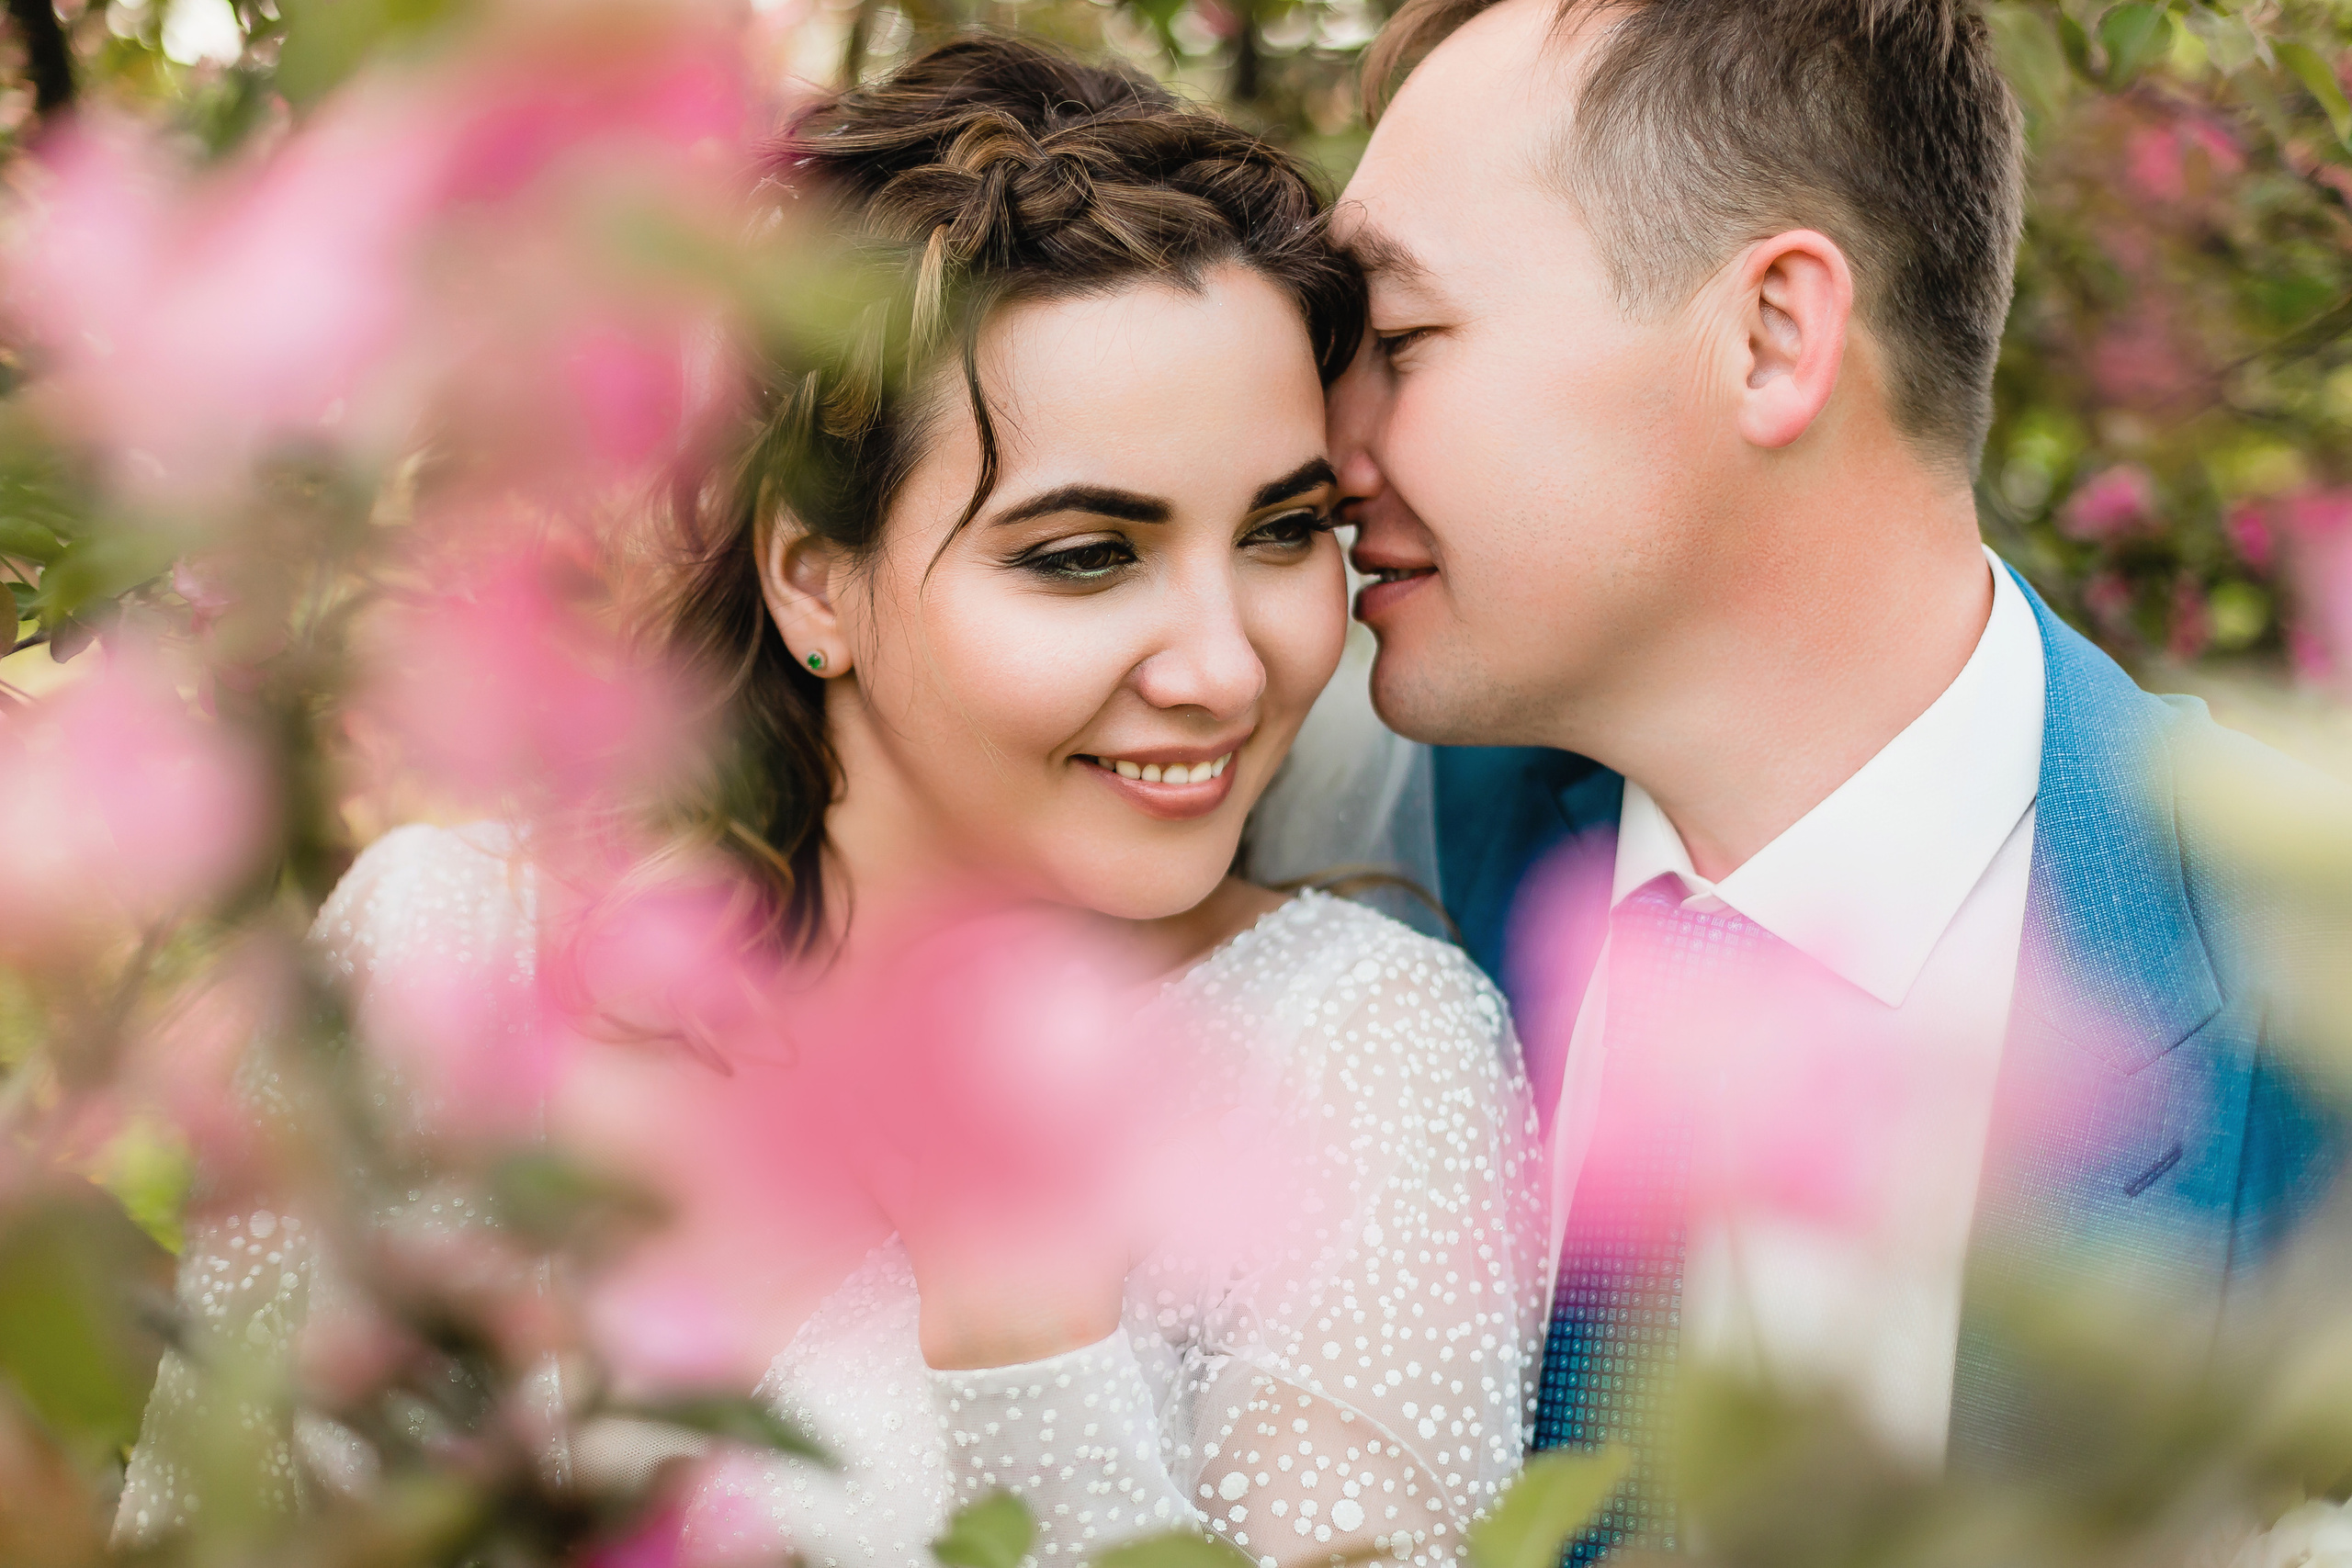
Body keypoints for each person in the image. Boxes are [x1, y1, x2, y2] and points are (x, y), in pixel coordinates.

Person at [118, 36, 1545, 1568]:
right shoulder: (435, 945)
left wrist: (1033, 1348)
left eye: (1283, 530)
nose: (1222, 666)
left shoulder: (1363, 1058)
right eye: (1085, 555)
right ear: (814, 573)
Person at [1326, 0, 2345, 1552]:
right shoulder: (1344, 872)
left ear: (1773, 335)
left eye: (1397, 341)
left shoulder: (2300, 982)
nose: (1329, 442)